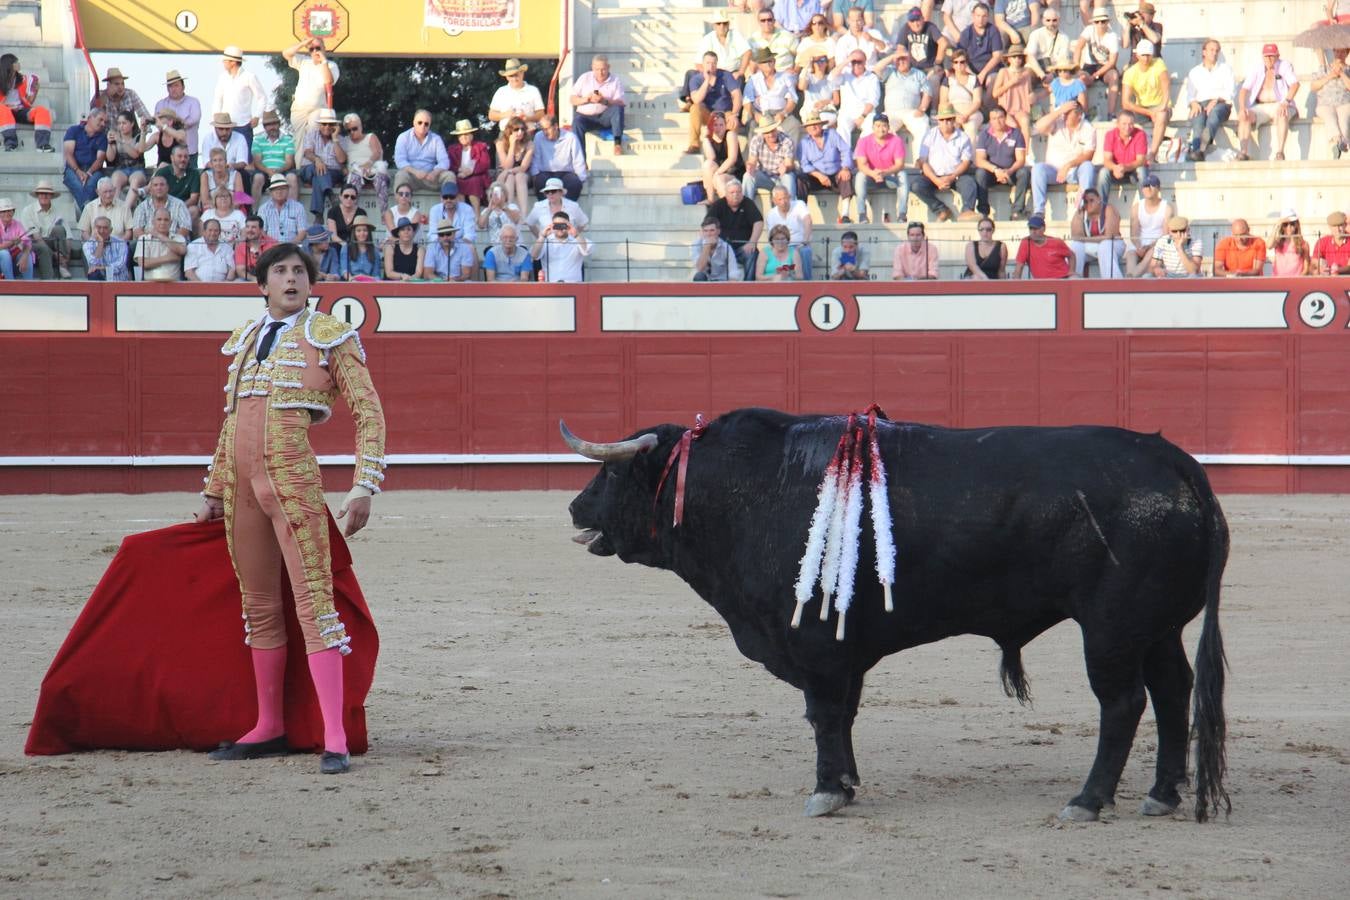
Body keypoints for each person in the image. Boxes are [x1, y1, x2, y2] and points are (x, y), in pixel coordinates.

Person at [195, 242, 386, 776]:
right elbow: (231, 420)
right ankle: (269, 725)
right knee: (259, 606)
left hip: (293, 480)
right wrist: (213, 488)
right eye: (279, 271)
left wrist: (364, 484)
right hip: (240, 485)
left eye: (299, 270)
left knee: (313, 604)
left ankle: (334, 735)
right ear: (262, 285)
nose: (291, 278)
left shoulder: (329, 335)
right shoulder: (246, 338)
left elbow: (370, 413)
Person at [911, 105, 978, 222]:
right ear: (938, 121)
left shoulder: (963, 137)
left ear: (954, 120)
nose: (945, 122)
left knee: (969, 183)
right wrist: (936, 180)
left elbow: (966, 162)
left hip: (955, 176)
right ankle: (941, 209)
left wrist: (952, 177)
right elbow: (923, 161)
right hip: (933, 176)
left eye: (949, 119)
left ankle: (967, 212)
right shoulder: (929, 135)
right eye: (942, 120)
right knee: (916, 186)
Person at [1030, 100, 1095, 217]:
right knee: (1038, 168)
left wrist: (1069, 165)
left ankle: (1084, 207)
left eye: (1068, 113)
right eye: (1064, 113)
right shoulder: (1057, 122)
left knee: (1088, 166)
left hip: (1075, 171)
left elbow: (1088, 155)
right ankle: (1039, 211)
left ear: (1079, 115)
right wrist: (1059, 111)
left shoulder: (1088, 128)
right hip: (1054, 171)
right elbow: (1038, 127)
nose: (1064, 116)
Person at [1236, 43, 1300, 162]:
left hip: (1281, 103)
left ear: (1277, 56)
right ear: (1262, 57)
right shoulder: (1257, 68)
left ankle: (1280, 152)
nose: (1269, 59)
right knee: (1244, 115)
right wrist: (1242, 107)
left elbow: (1295, 84)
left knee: (1282, 113)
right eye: (1266, 56)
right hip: (1261, 106)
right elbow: (1244, 89)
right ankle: (1243, 152)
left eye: (1272, 56)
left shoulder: (1284, 66)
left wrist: (1286, 102)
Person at [1183, 39, 1236, 162]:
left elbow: (1231, 92)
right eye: (1211, 50)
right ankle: (1198, 150)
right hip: (1200, 104)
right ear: (1204, 52)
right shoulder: (1194, 72)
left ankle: (1200, 150)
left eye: (1217, 50)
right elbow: (1190, 95)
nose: (1214, 53)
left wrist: (1216, 100)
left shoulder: (1226, 69)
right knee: (1198, 118)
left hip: (1221, 104)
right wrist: (1193, 103)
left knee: (1214, 114)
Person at [874, 44, 933, 153]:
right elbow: (877, 68)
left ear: (909, 58)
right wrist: (893, 57)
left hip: (911, 112)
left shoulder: (919, 74)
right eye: (898, 59)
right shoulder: (890, 72)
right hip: (891, 112)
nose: (901, 61)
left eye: (904, 59)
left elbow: (927, 93)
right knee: (881, 127)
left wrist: (922, 109)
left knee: (923, 125)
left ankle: (920, 161)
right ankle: (889, 163)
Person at [973, 105, 1029, 218]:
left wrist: (1009, 171)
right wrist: (996, 170)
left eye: (1000, 117)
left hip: (1011, 172)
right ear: (990, 120)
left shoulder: (1016, 133)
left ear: (1006, 117)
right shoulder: (984, 135)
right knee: (980, 173)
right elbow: (979, 160)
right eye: (993, 118)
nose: (997, 121)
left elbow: (1021, 159)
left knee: (1024, 172)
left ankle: (1017, 211)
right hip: (992, 173)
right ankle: (983, 211)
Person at [798, 114, 856, 222]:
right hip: (816, 176)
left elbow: (846, 150)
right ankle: (802, 215)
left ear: (821, 125)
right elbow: (804, 164)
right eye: (810, 125)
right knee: (800, 179)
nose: (813, 127)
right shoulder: (804, 143)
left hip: (835, 173)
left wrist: (845, 168)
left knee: (846, 175)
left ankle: (845, 215)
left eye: (816, 124)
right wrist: (819, 175)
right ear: (806, 129)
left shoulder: (832, 134)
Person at [283, 38, 337, 153]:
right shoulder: (304, 61)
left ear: (324, 48)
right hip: (299, 108)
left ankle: (314, 164)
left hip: (318, 109)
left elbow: (329, 81)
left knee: (314, 136)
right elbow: (286, 53)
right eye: (312, 49)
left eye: (318, 48)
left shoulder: (331, 65)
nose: (315, 51)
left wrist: (323, 62)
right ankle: (300, 168)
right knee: (299, 140)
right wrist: (303, 44)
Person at [1121, 41, 1171, 164]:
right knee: (1125, 120)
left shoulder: (1158, 63)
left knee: (1161, 115)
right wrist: (1149, 112)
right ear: (1137, 56)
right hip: (1142, 108)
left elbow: (1166, 84)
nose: (1145, 58)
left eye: (1148, 55)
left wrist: (1163, 105)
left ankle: (1152, 153)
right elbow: (1125, 102)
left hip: (1159, 105)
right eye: (1143, 55)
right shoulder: (1130, 72)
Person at [685, 51, 743, 155]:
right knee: (694, 108)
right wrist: (707, 81)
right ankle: (694, 144)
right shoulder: (696, 79)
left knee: (734, 123)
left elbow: (737, 95)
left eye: (714, 63)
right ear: (702, 64)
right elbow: (696, 100)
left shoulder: (726, 75)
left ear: (717, 64)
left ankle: (731, 152)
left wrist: (734, 114)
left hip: (725, 113)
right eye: (708, 63)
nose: (711, 66)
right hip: (708, 114)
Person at [853, 114, 907, 224]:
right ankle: (862, 214)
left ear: (888, 127)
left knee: (903, 175)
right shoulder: (863, 141)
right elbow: (861, 165)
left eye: (884, 126)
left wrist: (885, 172)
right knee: (859, 176)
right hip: (871, 177)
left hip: (889, 176)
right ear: (872, 128)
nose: (881, 129)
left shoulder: (896, 141)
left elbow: (900, 164)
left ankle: (902, 214)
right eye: (877, 126)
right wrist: (873, 174)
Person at [570, 54, 627, 158]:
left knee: (618, 109)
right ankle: (581, 159)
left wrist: (604, 101)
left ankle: (617, 144)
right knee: (576, 122)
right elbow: (572, 99)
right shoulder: (584, 77)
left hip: (605, 117)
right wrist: (586, 99)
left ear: (608, 67)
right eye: (597, 69)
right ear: (592, 67)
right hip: (585, 117)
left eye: (603, 69)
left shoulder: (615, 80)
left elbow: (621, 102)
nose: (600, 73)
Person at [213, 46, 266, 152]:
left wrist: (257, 116)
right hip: (225, 125)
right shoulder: (222, 77)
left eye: (225, 61)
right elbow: (217, 99)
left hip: (244, 124)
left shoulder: (249, 76)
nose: (223, 63)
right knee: (224, 155)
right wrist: (216, 117)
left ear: (232, 62)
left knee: (245, 158)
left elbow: (262, 98)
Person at [707, 180, 763, 279]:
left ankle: (749, 287)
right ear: (726, 194)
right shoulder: (718, 205)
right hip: (722, 248)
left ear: (742, 193)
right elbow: (707, 225)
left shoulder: (748, 203)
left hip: (743, 248)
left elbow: (758, 222)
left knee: (752, 254)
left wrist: (752, 242)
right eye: (732, 192)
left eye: (738, 192)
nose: (735, 195)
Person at [746, 49, 802, 143]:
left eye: (770, 61)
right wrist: (755, 114)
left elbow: (792, 99)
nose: (768, 64)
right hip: (762, 113)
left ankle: (790, 156)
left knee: (794, 124)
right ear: (759, 65)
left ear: (774, 61)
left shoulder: (785, 77)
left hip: (780, 113)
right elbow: (746, 101)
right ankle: (754, 156)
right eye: (764, 62)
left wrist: (784, 113)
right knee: (752, 125)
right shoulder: (753, 80)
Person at [0, 52, 53, 152]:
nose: (19, 64)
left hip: (20, 111)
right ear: (9, 65)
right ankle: (11, 144)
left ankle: (42, 145)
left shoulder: (23, 80)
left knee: (42, 111)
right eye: (16, 62)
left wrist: (35, 91)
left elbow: (29, 101)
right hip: (4, 111)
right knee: (3, 110)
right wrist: (8, 107)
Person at [298, 108, 345, 222]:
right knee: (317, 169)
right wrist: (317, 160)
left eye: (331, 124)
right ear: (319, 125)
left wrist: (334, 139)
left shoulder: (340, 139)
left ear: (335, 126)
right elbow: (307, 152)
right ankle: (329, 193)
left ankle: (318, 214)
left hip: (332, 173)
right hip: (310, 169)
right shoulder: (311, 135)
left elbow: (342, 159)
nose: (327, 127)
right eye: (324, 124)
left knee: (318, 179)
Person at [392, 110, 454, 194]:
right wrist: (415, 172)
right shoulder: (403, 137)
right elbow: (400, 161)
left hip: (431, 177)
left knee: (449, 175)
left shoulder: (436, 139)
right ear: (414, 122)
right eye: (420, 122)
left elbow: (444, 161)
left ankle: (449, 204)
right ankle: (401, 205)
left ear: (429, 125)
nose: (423, 126)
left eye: (426, 124)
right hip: (411, 177)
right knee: (401, 175)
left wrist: (434, 173)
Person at [19, 180, 71, 279]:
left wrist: (66, 257)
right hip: (33, 244)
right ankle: (49, 279)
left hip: (51, 242)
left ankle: (63, 265)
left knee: (59, 229)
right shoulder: (28, 211)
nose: (44, 196)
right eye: (41, 193)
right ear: (37, 195)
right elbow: (36, 237)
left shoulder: (58, 211)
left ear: (51, 195)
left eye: (47, 193)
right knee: (42, 248)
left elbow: (67, 236)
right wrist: (55, 254)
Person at [338, 113, 389, 214]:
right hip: (356, 173)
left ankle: (385, 215)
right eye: (349, 130)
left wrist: (368, 164)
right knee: (352, 183)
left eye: (354, 128)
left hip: (373, 170)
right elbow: (341, 159)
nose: (352, 132)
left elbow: (377, 153)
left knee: (380, 179)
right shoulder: (345, 141)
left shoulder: (370, 137)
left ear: (361, 126)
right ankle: (353, 215)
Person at [1073, 9, 1120, 116]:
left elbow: (1112, 62)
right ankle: (1084, 114)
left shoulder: (1112, 36)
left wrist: (1095, 76)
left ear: (1108, 22)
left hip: (1105, 66)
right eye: (1097, 22)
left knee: (1114, 76)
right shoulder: (1089, 30)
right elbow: (1078, 48)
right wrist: (1077, 68)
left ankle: (1110, 113)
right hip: (1089, 65)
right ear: (1093, 22)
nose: (1100, 24)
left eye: (1103, 21)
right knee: (1080, 79)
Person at [1067, 188, 1123, 277]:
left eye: (1091, 200)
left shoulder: (1109, 209)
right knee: (1076, 246)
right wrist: (1078, 214)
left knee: (1105, 245)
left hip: (1113, 244)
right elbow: (1076, 237)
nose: (1088, 204)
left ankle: (1113, 282)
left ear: (1099, 199)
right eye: (1085, 201)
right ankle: (1074, 279)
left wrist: (1085, 239)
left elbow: (1109, 236)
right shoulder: (1081, 212)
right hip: (1092, 245)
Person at [1124, 172, 1172, 276]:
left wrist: (1148, 247)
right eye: (1146, 185)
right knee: (1131, 253)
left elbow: (1165, 236)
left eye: (1152, 185)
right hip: (1139, 242)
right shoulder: (1137, 207)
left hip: (1157, 242)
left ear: (1159, 189)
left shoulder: (1166, 207)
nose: (1148, 188)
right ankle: (1130, 275)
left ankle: (1131, 278)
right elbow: (1134, 233)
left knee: (1152, 252)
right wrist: (1138, 247)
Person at [530, 115, 588, 200]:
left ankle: (565, 211)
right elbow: (535, 159)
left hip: (566, 173)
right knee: (539, 183)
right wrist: (534, 175)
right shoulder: (538, 137)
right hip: (545, 173)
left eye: (547, 129)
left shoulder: (570, 137)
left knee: (575, 184)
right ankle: (547, 210)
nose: (545, 132)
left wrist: (581, 178)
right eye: (543, 130)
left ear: (556, 126)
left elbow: (578, 160)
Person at [893, 7, 948, 96]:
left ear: (923, 19)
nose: (915, 23)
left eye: (918, 20)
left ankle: (934, 110)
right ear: (909, 23)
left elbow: (943, 43)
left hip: (930, 68)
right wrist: (905, 67)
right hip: (913, 68)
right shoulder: (905, 28)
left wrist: (937, 63)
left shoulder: (930, 27)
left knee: (933, 80)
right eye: (912, 21)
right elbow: (900, 48)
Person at [831, 50, 880, 148]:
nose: (856, 64)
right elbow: (831, 77)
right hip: (847, 112)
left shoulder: (872, 78)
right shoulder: (844, 75)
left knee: (871, 129)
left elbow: (873, 100)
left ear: (865, 62)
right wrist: (847, 60)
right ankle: (845, 159)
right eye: (854, 62)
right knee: (842, 128)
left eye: (859, 62)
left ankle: (859, 155)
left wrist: (863, 116)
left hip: (866, 113)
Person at [62, 109, 108, 212]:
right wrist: (78, 171)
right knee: (77, 185)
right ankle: (88, 211)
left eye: (105, 122)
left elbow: (100, 159)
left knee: (92, 185)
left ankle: (83, 211)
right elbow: (68, 153)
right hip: (73, 169)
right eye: (100, 120)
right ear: (90, 118)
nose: (103, 124)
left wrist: (89, 173)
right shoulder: (73, 130)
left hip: (93, 170)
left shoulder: (102, 137)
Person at [743, 116, 798, 202]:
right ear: (762, 133)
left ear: (776, 129)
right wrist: (750, 166)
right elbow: (752, 161)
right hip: (765, 177)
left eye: (772, 130)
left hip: (781, 177)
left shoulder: (787, 140)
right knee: (747, 176)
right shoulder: (756, 140)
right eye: (767, 132)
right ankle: (745, 209)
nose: (771, 134)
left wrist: (785, 168)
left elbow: (789, 164)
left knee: (789, 177)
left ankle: (791, 209)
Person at [763, 184, 814, 278]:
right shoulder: (771, 214)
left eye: (785, 198)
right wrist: (781, 248)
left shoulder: (799, 204)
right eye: (780, 199)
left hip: (800, 244)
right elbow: (772, 237)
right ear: (774, 201)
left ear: (790, 197)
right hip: (781, 246)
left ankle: (807, 284)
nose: (784, 202)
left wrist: (805, 240)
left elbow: (808, 220)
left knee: (805, 251)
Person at [1096, 111, 1149, 199]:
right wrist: (1115, 168)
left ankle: (1145, 205)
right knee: (1103, 173)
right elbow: (1107, 160)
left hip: (1133, 171)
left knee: (1142, 171)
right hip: (1116, 171)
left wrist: (1125, 167)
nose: (1127, 127)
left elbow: (1141, 160)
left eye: (1131, 124)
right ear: (1118, 124)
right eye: (1124, 124)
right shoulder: (1110, 135)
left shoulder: (1140, 135)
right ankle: (1100, 208)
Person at [154, 69, 201, 167]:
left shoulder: (193, 102)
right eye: (170, 86)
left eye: (176, 85)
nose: (173, 89)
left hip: (188, 151)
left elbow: (193, 120)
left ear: (183, 87)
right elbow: (158, 125)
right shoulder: (160, 104)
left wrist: (172, 121)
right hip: (166, 154)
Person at [250, 111, 298, 206]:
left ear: (279, 124)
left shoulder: (288, 139)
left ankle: (293, 211)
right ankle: (254, 212)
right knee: (258, 177)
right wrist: (269, 171)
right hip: (263, 171)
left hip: (283, 171)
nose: (272, 127)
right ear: (264, 127)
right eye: (268, 124)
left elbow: (289, 162)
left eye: (274, 123)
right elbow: (257, 162)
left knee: (292, 178)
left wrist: (278, 171)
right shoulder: (257, 140)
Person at [1310, 48, 1350, 159]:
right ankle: (1339, 141)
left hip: (1344, 103)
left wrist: (1342, 73)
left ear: (1347, 53)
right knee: (1330, 117)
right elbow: (1313, 86)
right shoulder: (1324, 69)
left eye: (1342, 51)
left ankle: (1340, 143)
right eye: (1337, 51)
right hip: (1325, 104)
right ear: (1333, 52)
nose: (1339, 54)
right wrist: (1330, 76)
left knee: (1344, 119)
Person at [957, 4, 1005, 93]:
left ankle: (986, 106)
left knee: (992, 80)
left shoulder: (993, 30)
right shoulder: (966, 33)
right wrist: (972, 75)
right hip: (970, 69)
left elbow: (997, 56)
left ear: (988, 17)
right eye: (978, 16)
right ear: (973, 16)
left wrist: (983, 74)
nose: (980, 19)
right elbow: (960, 56)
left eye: (984, 16)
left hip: (990, 68)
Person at [446, 120, 492, 213]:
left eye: (466, 134)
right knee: (456, 182)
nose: (463, 137)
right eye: (460, 135)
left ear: (471, 135)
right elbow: (449, 165)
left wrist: (470, 171)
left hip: (476, 175)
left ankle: (477, 214)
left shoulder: (480, 147)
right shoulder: (452, 149)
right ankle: (462, 213)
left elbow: (485, 164)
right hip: (460, 175)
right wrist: (459, 170)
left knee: (474, 182)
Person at [106, 110, 151, 204]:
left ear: (132, 124)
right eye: (119, 123)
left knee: (135, 181)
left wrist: (121, 142)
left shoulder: (138, 137)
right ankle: (115, 208)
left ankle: (125, 210)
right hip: (120, 169)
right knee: (115, 180)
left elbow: (135, 154)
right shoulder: (116, 137)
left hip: (137, 169)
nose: (121, 126)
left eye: (124, 123)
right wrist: (109, 143)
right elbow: (110, 158)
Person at [489, 59, 546, 134]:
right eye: (511, 76)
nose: (514, 78)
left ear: (522, 73)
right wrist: (506, 115)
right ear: (507, 77)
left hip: (527, 133)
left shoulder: (533, 91)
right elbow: (491, 115)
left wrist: (527, 118)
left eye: (516, 75)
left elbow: (541, 114)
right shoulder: (501, 91)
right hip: (506, 134)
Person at [992, 42, 1033, 142]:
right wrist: (1011, 83)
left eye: (1019, 57)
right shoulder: (1003, 72)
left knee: (1025, 120)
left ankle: (1025, 154)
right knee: (1013, 125)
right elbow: (995, 93)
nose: (1017, 59)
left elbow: (1030, 91)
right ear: (1009, 59)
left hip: (1021, 108)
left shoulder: (1026, 73)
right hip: (1006, 109)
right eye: (1014, 57)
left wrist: (1033, 97)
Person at [533, 210, 591, 282]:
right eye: (557, 225)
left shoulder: (577, 240)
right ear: (552, 225)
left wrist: (576, 235)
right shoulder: (545, 241)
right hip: (551, 286)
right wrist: (542, 236)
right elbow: (534, 256)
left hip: (574, 286)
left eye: (562, 225)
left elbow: (586, 251)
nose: (560, 228)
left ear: (568, 225)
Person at [523, 177, 590, 239]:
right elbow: (530, 223)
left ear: (561, 192)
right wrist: (541, 238)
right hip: (547, 245)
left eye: (553, 191)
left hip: (568, 246)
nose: (550, 194)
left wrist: (573, 237)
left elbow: (583, 223)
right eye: (547, 192)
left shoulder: (573, 206)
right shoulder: (538, 206)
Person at [131, 173, 191, 240]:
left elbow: (185, 228)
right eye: (155, 185)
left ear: (167, 188)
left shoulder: (179, 204)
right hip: (150, 245)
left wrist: (170, 243)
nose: (159, 188)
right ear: (150, 189)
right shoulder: (142, 207)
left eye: (162, 185)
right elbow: (137, 230)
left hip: (173, 245)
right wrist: (152, 243)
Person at [941, 51, 985, 142]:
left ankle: (970, 155)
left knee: (971, 127)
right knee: (949, 128)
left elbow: (977, 101)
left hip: (972, 112)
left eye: (962, 62)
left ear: (966, 63)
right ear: (952, 64)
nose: (959, 64)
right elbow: (943, 102)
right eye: (956, 62)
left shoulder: (974, 79)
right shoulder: (948, 80)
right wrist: (956, 116)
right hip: (953, 112)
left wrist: (966, 115)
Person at [134, 206, 187, 281]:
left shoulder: (178, 238)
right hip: (149, 284)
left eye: (166, 220)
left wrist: (159, 236)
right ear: (153, 222)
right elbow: (143, 263)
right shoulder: (144, 238)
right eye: (159, 219)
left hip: (174, 285)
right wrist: (167, 258)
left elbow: (182, 250)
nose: (163, 222)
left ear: (171, 223)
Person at [702, 111, 746, 202]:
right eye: (715, 125)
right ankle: (711, 200)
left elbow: (732, 159)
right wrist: (705, 138)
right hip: (718, 172)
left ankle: (727, 209)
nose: (718, 128)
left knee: (719, 179)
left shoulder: (730, 135)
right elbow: (711, 158)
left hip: (734, 172)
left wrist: (717, 173)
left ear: (725, 125)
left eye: (721, 125)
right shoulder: (709, 138)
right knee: (707, 164)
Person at [1012, 213, 1074, 277]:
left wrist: (1071, 271)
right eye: (1031, 228)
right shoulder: (1025, 242)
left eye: (1036, 228)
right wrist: (1016, 285)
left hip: (1062, 279)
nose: (1033, 231)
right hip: (1042, 284)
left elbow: (1071, 255)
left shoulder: (1056, 242)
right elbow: (1019, 267)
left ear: (1043, 229)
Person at [92, 68, 151, 134]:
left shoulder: (130, 94)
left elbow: (145, 115)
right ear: (108, 85)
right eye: (117, 84)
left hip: (129, 139)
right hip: (107, 140)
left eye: (122, 84)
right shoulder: (100, 96)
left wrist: (144, 133)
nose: (121, 87)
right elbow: (91, 119)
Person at [493, 116, 534, 212]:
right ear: (510, 130)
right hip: (504, 174)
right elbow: (507, 165)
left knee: (519, 176)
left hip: (523, 174)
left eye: (522, 129)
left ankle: (523, 214)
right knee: (510, 177)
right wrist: (512, 145)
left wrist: (509, 171)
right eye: (516, 129)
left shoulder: (529, 144)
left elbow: (523, 168)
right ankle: (509, 210)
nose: (520, 132)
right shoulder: (500, 143)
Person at [746, 7, 800, 79]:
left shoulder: (787, 36)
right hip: (762, 77)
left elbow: (801, 55)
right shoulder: (752, 40)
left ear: (774, 21)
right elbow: (748, 63)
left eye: (769, 20)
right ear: (758, 22)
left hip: (784, 75)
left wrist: (795, 70)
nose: (766, 23)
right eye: (763, 20)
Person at [201, 112, 251, 187]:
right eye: (221, 129)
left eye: (227, 129)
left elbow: (242, 162)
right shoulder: (208, 138)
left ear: (231, 128)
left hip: (234, 169)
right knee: (204, 174)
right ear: (215, 128)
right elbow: (207, 162)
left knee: (244, 175)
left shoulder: (240, 138)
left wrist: (230, 166)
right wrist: (220, 167)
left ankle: (243, 198)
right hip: (214, 169)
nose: (224, 132)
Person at [699, 10, 752, 79]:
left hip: (733, 74)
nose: (722, 26)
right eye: (719, 23)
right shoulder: (708, 39)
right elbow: (698, 63)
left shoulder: (735, 35)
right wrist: (709, 75)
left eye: (724, 23)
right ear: (714, 26)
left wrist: (741, 72)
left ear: (728, 24)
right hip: (714, 73)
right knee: (690, 73)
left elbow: (747, 52)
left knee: (740, 79)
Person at [154, 143, 201, 222]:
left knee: (194, 210)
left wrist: (177, 208)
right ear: (172, 158)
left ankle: (183, 232)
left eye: (186, 157)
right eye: (179, 156)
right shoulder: (162, 173)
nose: (183, 159)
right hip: (164, 207)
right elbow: (156, 196)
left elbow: (193, 199)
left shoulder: (194, 174)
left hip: (184, 207)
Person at [1024, 7, 1069, 88]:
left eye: (1054, 20)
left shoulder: (1064, 37)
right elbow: (1030, 57)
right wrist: (1042, 75)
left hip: (1055, 69)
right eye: (1048, 20)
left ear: (1059, 20)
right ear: (1043, 21)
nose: (1051, 23)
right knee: (1025, 76)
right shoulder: (1036, 34)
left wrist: (1052, 75)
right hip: (1036, 68)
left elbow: (1063, 61)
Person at [77, 177, 131, 242]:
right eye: (105, 192)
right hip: (95, 246)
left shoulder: (124, 207)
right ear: (98, 192)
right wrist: (92, 243)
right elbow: (84, 232)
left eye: (110, 191)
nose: (108, 195)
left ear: (114, 190)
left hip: (118, 247)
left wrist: (119, 245)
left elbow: (129, 232)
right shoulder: (89, 207)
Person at [426, 181, 478, 249]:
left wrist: (455, 246)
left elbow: (469, 235)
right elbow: (433, 235)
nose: (448, 200)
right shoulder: (434, 210)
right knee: (431, 247)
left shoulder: (467, 209)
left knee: (471, 247)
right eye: (445, 197)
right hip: (441, 245)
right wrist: (445, 245)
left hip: (461, 246)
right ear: (441, 198)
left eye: (452, 197)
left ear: (457, 197)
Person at [691, 216, 743, 282]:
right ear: (702, 232)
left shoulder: (726, 247)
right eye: (705, 231)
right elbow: (700, 268)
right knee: (699, 276)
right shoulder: (697, 244)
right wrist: (707, 246)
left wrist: (730, 286)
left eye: (712, 230)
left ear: (718, 231)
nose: (708, 234)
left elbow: (733, 271)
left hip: (722, 282)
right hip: (704, 281)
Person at [82, 216, 130, 281]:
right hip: (99, 280)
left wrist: (101, 268)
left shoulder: (121, 243)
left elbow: (119, 266)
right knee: (93, 274)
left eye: (105, 228)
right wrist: (100, 243)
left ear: (111, 230)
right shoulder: (88, 245)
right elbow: (93, 264)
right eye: (99, 227)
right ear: (94, 229)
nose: (102, 231)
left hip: (119, 281)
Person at [233, 214, 277, 280]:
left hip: (270, 278)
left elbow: (277, 268)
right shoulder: (240, 247)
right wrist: (255, 279)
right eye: (247, 227)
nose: (249, 230)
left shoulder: (273, 244)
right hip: (249, 279)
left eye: (253, 227)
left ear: (261, 230)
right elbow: (240, 271)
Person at [1269, 209, 1312, 276]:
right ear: (1282, 226)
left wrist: (1297, 280)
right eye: (1285, 224)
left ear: (1296, 225)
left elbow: (1306, 268)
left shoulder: (1304, 244)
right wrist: (1277, 225)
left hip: (1296, 282)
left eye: (1292, 224)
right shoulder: (1277, 242)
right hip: (1278, 281)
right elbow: (1269, 246)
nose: (1289, 227)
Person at [478, 183, 521, 247]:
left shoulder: (512, 207)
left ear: (505, 195)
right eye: (494, 193)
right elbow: (481, 226)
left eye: (500, 193)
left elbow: (516, 219)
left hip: (514, 245)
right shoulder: (486, 211)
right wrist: (490, 210)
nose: (497, 196)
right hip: (495, 246)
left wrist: (504, 207)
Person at [0, 197, 33, 279]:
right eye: (3, 211)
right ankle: (10, 283)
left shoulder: (18, 224)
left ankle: (30, 286)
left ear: (13, 212)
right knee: (4, 253)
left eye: (9, 210)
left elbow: (27, 244)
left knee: (27, 256)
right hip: (3, 260)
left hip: (14, 260)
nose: (7, 213)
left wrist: (25, 256)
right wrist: (12, 242)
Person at [341, 215, 381, 280]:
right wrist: (352, 280)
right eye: (358, 231)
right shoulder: (346, 248)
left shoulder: (375, 250)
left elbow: (376, 275)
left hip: (369, 285)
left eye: (365, 230)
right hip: (351, 284)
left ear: (369, 233)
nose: (362, 233)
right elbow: (344, 271)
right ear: (354, 233)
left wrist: (364, 278)